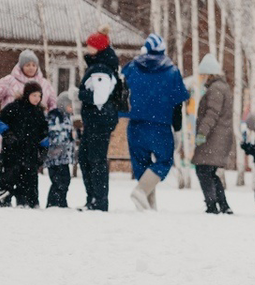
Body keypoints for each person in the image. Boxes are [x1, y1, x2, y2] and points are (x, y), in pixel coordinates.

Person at [123, 34, 190, 211]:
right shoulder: (172, 72)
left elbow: (122, 94)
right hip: (160, 125)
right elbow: (177, 105)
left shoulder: (131, 68)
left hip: (136, 124)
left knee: (142, 165)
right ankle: (140, 191)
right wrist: (177, 130)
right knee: (164, 161)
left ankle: (147, 206)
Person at [0, 50, 56, 178]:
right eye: (27, 65)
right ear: (21, 66)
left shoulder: (44, 84)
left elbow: (53, 104)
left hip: (32, 139)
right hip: (12, 136)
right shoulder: (9, 81)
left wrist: (48, 124)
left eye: (34, 65)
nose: (31, 68)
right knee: (9, 176)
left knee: (28, 181)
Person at [78, 28, 121, 211]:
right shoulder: (101, 65)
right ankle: (94, 199)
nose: (87, 48)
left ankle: (99, 200)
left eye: (89, 45)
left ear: (97, 48)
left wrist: (79, 94)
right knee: (87, 159)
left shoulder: (101, 69)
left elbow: (100, 98)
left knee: (94, 160)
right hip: (97, 120)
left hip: (99, 120)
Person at [0, 81, 50, 208]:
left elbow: (43, 133)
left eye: (39, 96)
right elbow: (0, 120)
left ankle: (29, 202)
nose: (37, 99)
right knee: (8, 176)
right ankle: (2, 201)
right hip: (13, 150)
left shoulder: (39, 112)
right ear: (27, 94)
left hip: (30, 152)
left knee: (30, 178)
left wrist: (44, 150)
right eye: (34, 95)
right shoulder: (14, 107)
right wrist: (7, 133)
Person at [191, 54, 234, 214]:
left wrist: (202, 133)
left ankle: (212, 205)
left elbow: (212, 114)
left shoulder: (216, 89)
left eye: (203, 74)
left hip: (213, 138)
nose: (202, 77)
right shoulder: (223, 87)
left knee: (203, 170)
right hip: (220, 137)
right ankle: (223, 205)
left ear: (209, 73)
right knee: (211, 172)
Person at [44, 92, 77, 208]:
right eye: (70, 105)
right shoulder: (55, 116)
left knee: (65, 180)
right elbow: (54, 133)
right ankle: (53, 203)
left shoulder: (68, 118)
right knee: (58, 181)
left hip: (64, 157)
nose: (73, 108)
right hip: (54, 156)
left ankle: (61, 201)